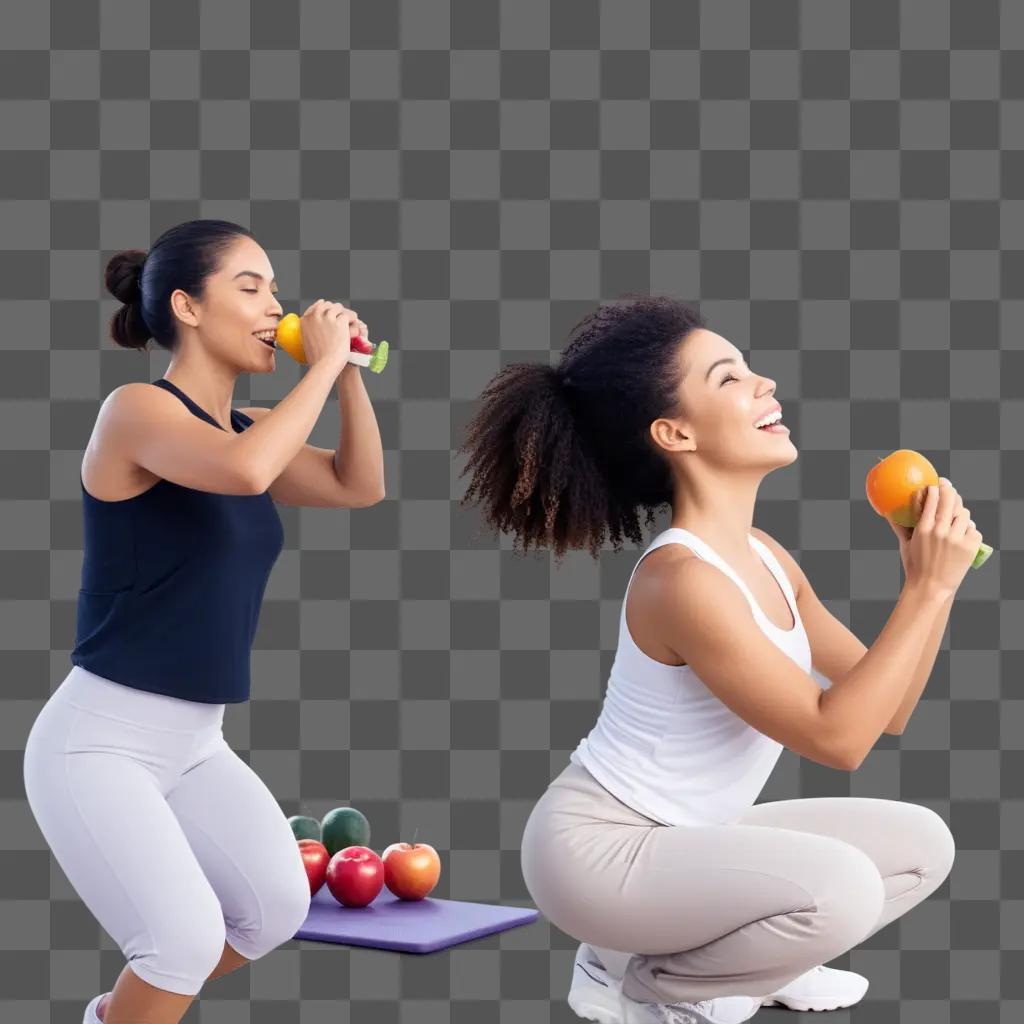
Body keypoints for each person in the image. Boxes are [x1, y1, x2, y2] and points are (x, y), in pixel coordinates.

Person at [457, 295, 975, 1024]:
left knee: (923, 845)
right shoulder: (682, 581)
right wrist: (927, 587)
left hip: (692, 844)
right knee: (845, 889)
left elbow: (887, 711)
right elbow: (838, 740)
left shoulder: (764, 556)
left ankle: (753, 962)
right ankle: (648, 982)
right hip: (599, 856)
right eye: (729, 378)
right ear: (675, 432)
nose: (764, 384)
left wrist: (934, 584)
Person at [22, 219, 386, 1024]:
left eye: (276, 291)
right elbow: (243, 473)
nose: (274, 307)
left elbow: (359, 485)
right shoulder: (136, 413)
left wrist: (350, 373)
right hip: (98, 743)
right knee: (180, 943)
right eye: (250, 288)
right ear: (187, 306)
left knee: (275, 912)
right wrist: (321, 365)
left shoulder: (251, 423)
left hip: (194, 743)